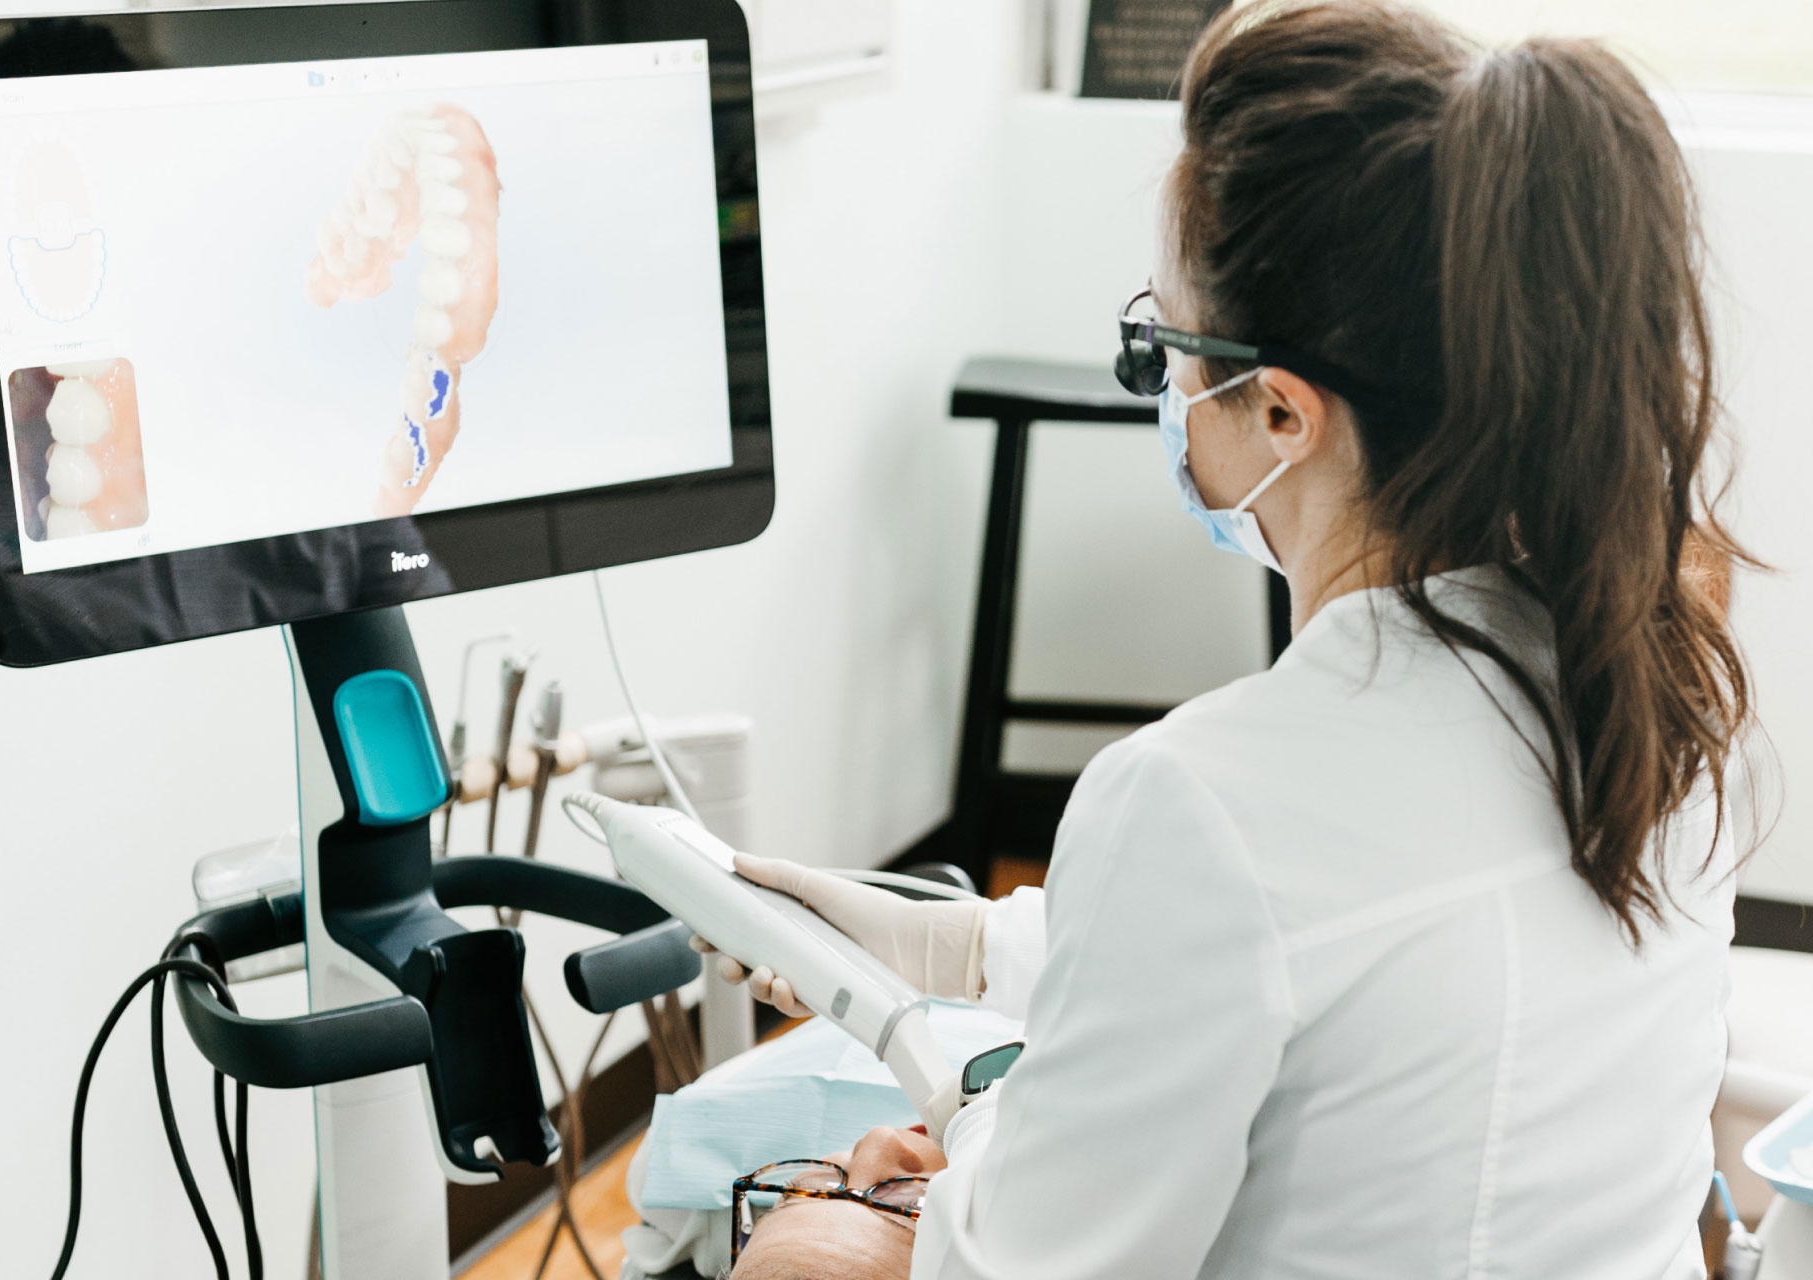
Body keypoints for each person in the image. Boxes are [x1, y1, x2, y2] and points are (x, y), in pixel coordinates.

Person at [699, 1, 1761, 1276]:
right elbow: (1348, 960)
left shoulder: (1202, 801)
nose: (1166, 396)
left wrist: (964, 1129)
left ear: (1281, 412)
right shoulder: (1663, 692)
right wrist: (969, 946)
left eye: (1162, 349)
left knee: (805, 1244)